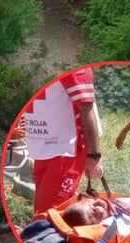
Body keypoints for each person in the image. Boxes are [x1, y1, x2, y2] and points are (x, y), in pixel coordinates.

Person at [24, 67, 104, 215]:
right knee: (42, 209)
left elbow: (86, 107)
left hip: (64, 150)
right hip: (42, 149)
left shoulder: (73, 67)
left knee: (50, 213)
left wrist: (94, 156)